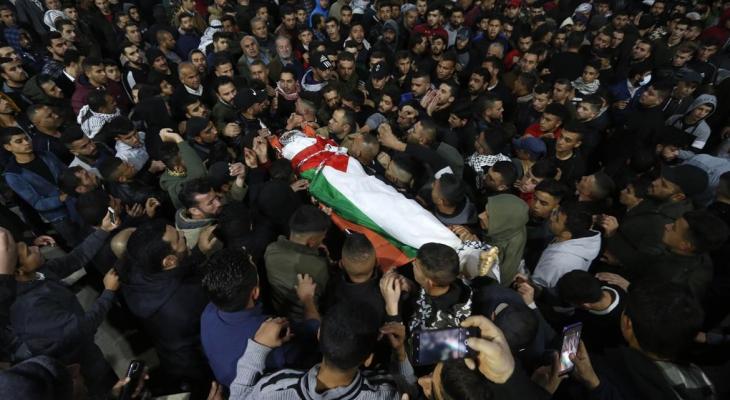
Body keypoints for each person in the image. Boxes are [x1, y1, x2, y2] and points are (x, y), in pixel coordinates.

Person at [10, 210, 120, 397]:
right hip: (75, 360)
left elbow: (74, 259)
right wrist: (108, 292)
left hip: (83, 342)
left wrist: (103, 230)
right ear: (18, 272)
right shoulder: (32, 308)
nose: (36, 248)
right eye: (29, 252)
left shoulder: (39, 273)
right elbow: (83, 328)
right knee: (101, 385)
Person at [229, 302, 417, 400]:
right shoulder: (387, 392)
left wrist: (258, 347)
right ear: (368, 359)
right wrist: (400, 353)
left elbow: (238, 397)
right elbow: (411, 392)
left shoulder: (275, 388)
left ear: (319, 334)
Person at [200, 248, 318, 388]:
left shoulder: (208, 312)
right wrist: (307, 299)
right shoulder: (275, 334)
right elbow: (315, 330)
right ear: (255, 292)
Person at [264, 205, 330, 321]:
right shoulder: (319, 267)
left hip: (278, 309)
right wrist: (325, 259)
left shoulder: (271, 250)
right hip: (306, 319)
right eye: (322, 238)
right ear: (311, 242)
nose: (323, 239)